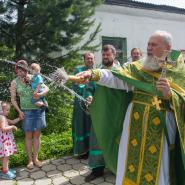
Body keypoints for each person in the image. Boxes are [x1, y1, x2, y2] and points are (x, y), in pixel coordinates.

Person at [67, 30, 185, 185]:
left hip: (161, 125)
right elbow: (117, 76)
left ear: (167, 48)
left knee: (158, 167)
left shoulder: (179, 69)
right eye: (148, 44)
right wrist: (92, 74)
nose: (148, 47)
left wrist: (170, 95)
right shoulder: (139, 66)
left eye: (154, 44)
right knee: (130, 160)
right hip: (134, 123)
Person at [85, 44, 121, 182]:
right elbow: (89, 88)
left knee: (116, 140)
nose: (105, 57)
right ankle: (97, 170)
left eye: (108, 55)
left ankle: (117, 168)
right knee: (97, 140)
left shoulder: (121, 71)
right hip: (100, 112)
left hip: (117, 113)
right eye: (103, 55)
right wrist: (89, 96)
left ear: (114, 55)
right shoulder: (97, 72)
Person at [10, 60, 49, 170]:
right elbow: (13, 99)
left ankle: (36, 159)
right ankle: (30, 160)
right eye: (17, 71)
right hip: (26, 111)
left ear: (26, 69)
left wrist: (40, 94)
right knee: (28, 136)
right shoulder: (14, 82)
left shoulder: (34, 77)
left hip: (39, 110)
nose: (19, 73)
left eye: (21, 70)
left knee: (37, 136)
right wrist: (19, 111)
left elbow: (47, 88)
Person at [72, 52, 96, 159]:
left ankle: (92, 149)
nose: (90, 60)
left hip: (94, 103)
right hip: (80, 102)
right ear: (84, 60)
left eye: (91, 58)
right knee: (81, 124)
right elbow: (76, 86)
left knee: (92, 125)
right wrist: (86, 91)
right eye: (88, 58)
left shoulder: (96, 71)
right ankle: (81, 151)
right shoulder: (78, 71)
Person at [0, 102, 22, 179]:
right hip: (4, 141)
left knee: (4, 156)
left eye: (8, 110)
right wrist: (12, 127)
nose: (8, 111)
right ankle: (5, 172)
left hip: (4, 141)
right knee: (6, 156)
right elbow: (3, 128)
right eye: (7, 110)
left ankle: (5, 169)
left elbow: (12, 121)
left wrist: (19, 118)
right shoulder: (2, 117)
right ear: (1, 110)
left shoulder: (3, 117)